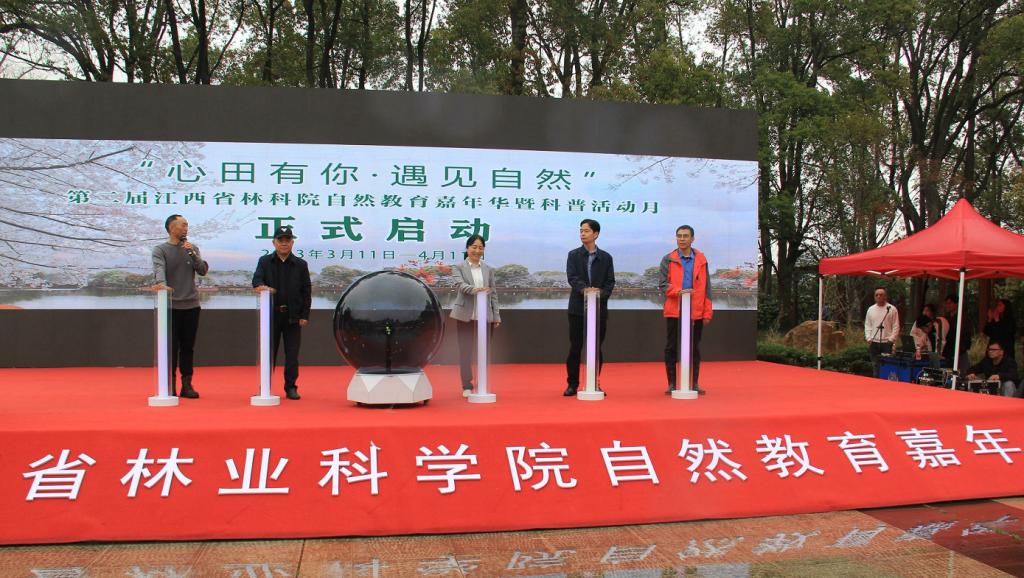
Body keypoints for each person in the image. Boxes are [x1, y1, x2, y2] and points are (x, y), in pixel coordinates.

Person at [152, 214, 209, 398]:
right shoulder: (160, 250)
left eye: (187, 225)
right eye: (183, 225)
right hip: (170, 307)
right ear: (171, 228)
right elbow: (159, 269)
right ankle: (169, 384)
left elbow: (202, 270)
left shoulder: (192, 248)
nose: (186, 228)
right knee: (170, 347)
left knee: (187, 347)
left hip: (191, 305)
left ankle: (187, 384)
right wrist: (161, 285)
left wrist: (192, 253)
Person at [252, 225, 312, 400]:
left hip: (293, 317)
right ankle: (265, 387)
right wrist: (261, 286)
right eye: (280, 240)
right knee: (268, 353)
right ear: (274, 242)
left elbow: (306, 291)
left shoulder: (301, 264)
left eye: (287, 240)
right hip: (270, 316)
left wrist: (304, 315)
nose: (284, 243)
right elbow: (256, 280)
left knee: (292, 355)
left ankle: (291, 387)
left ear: (292, 243)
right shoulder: (264, 261)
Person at [659, 225, 713, 395]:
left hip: (696, 311)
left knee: (694, 348)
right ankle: (672, 383)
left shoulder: (701, 259)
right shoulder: (668, 259)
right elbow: (662, 285)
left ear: (692, 239)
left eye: (685, 236)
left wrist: (707, 312)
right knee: (671, 347)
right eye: (679, 236)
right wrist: (678, 292)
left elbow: (707, 287)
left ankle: (693, 383)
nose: (682, 239)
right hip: (675, 310)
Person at [564, 218, 615, 396]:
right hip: (577, 309)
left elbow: (610, 282)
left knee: (596, 348)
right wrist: (585, 290)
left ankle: (594, 383)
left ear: (596, 234)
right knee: (575, 347)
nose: (582, 234)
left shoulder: (606, 258)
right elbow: (572, 277)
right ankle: (572, 384)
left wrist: (599, 294)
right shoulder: (573, 255)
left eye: (586, 231)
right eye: (581, 231)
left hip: (599, 309)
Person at [449, 235, 501, 397]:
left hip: (485, 317)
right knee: (465, 351)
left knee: (483, 351)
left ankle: (482, 383)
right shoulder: (458, 267)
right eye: (474, 247)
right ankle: (467, 385)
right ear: (467, 248)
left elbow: (493, 293)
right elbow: (460, 285)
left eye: (480, 248)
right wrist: (475, 290)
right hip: (465, 316)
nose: (477, 251)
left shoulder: (488, 269)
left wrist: (496, 316)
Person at [864, 287, 900, 378]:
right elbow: (868, 325)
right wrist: (868, 338)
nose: (879, 296)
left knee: (887, 366)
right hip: (874, 342)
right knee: (875, 365)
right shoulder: (870, 309)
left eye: (881, 295)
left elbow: (896, 326)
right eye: (876, 295)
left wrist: (891, 340)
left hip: (887, 343)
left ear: (885, 296)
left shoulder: (892, 309)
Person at [942, 294, 972, 374]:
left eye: (950, 303)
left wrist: (963, 347)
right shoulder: (945, 318)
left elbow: (967, 334)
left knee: (962, 373)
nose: (948, 305)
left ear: (956, 304)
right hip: (947, 350)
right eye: (946, 303)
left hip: (960, 350)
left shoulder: (963, 317)